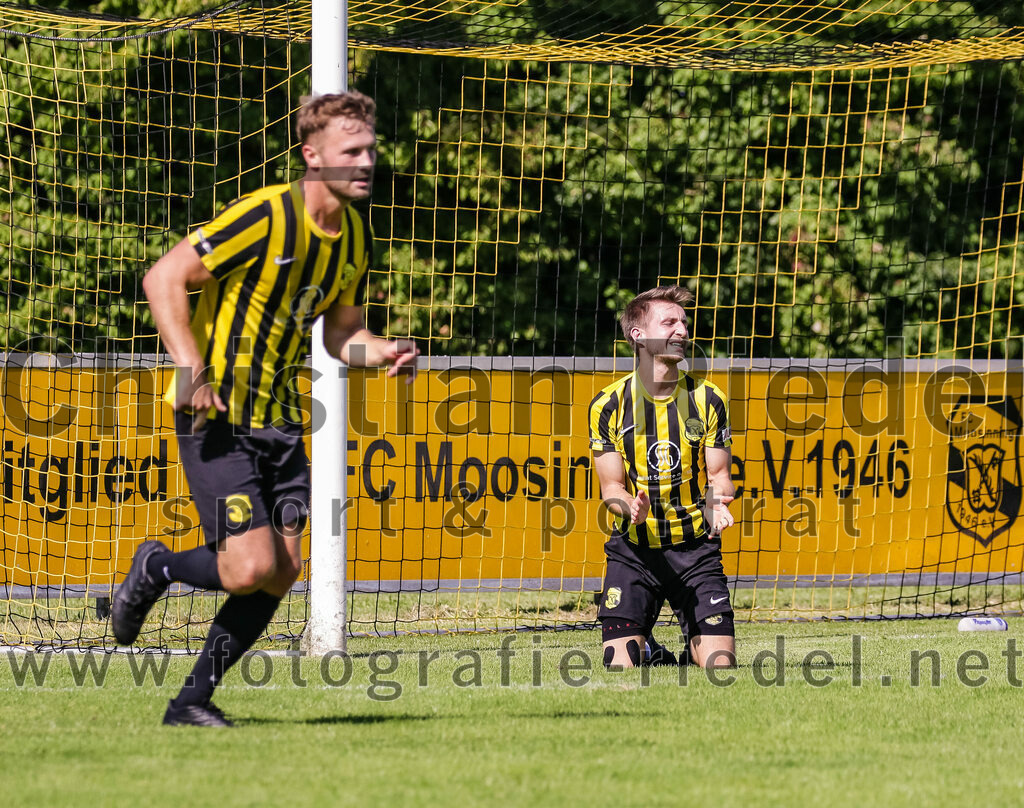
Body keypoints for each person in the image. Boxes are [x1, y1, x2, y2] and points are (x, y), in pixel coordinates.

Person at [112, 90, 418, 727]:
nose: (366, 161)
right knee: (249, 567)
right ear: (312, 155)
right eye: (351, 150)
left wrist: (384, 349)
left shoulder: (355, 238)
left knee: (282, 571)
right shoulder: (265, 215)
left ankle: (189, 703)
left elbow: (341, 336)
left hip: (280, 421)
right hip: (217, 414)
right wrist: (191, 369)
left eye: (370, 149)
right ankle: (157, 565)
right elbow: (164, 277)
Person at [588, 285, 736, 670]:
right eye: (669, 323)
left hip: (695, 550)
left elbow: (720, 477)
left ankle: (696, 645)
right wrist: (630, 508)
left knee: (720, 665)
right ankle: (649, 649)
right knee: (619, 665)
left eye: (684, 323)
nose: (682, 331)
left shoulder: (710, 399)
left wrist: (716, 503)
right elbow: (611, 488)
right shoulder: (608, 405)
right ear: (639, 335)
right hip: (634, 551)